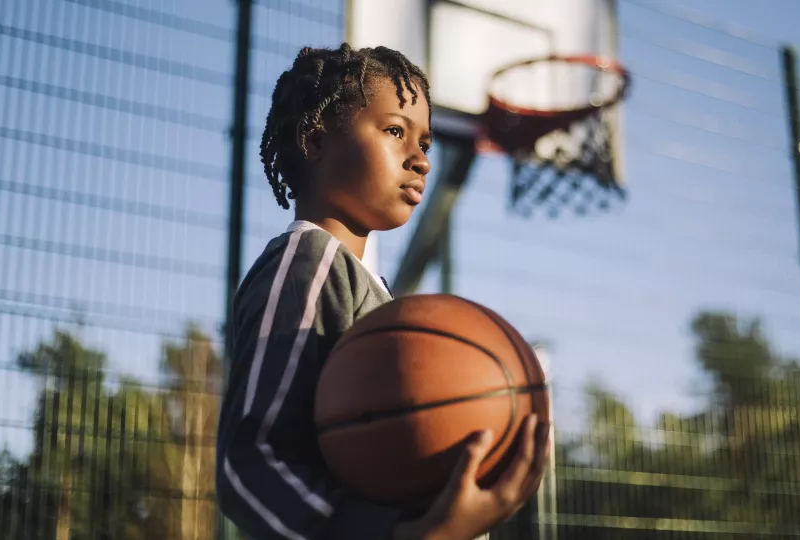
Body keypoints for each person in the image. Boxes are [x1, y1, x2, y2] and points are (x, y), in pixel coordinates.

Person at [215, 43, 551, 540]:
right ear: (316, 140)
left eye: (426, 143)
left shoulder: (372, 295)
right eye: (395, 131)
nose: (421, 161)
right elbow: (251, 463)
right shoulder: (307, 261)